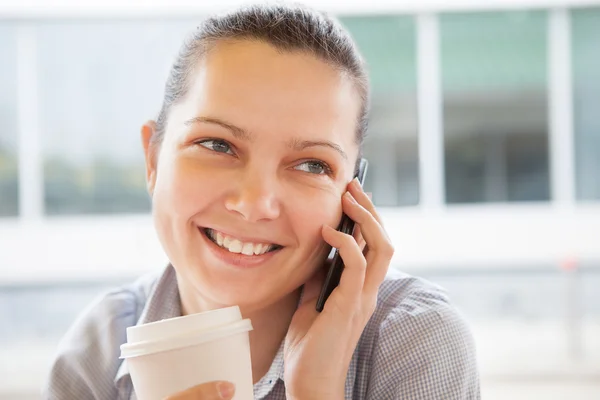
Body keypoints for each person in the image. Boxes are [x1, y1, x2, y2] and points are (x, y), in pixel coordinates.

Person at [43, 4, 480, 400]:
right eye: (216, 144)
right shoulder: (95, 356)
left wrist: (316, 392)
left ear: (352, 197)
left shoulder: (415, 341)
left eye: (311, 165)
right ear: (153, 159)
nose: (254, 204)